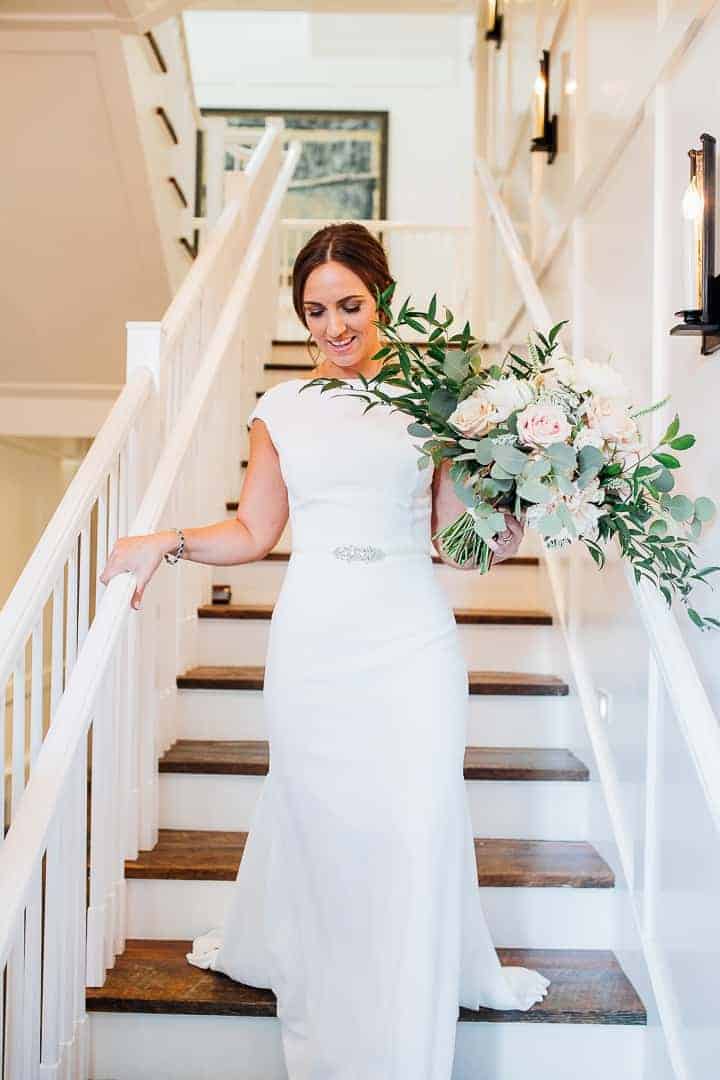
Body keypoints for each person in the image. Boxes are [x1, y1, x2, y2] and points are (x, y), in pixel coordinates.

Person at [100, 222, 550, 1079]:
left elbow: (452, 540)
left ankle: (408, 1018)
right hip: (316, 639)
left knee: (415, 822)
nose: (334, 327)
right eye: (315, 311)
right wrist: (167, 540)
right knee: (327, 825)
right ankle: (334, 1005)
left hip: (410, 636)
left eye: (349, 305)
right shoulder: (281, 409)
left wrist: (501, 533)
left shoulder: (439, 399)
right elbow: (253, 529)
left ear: (380, 293)